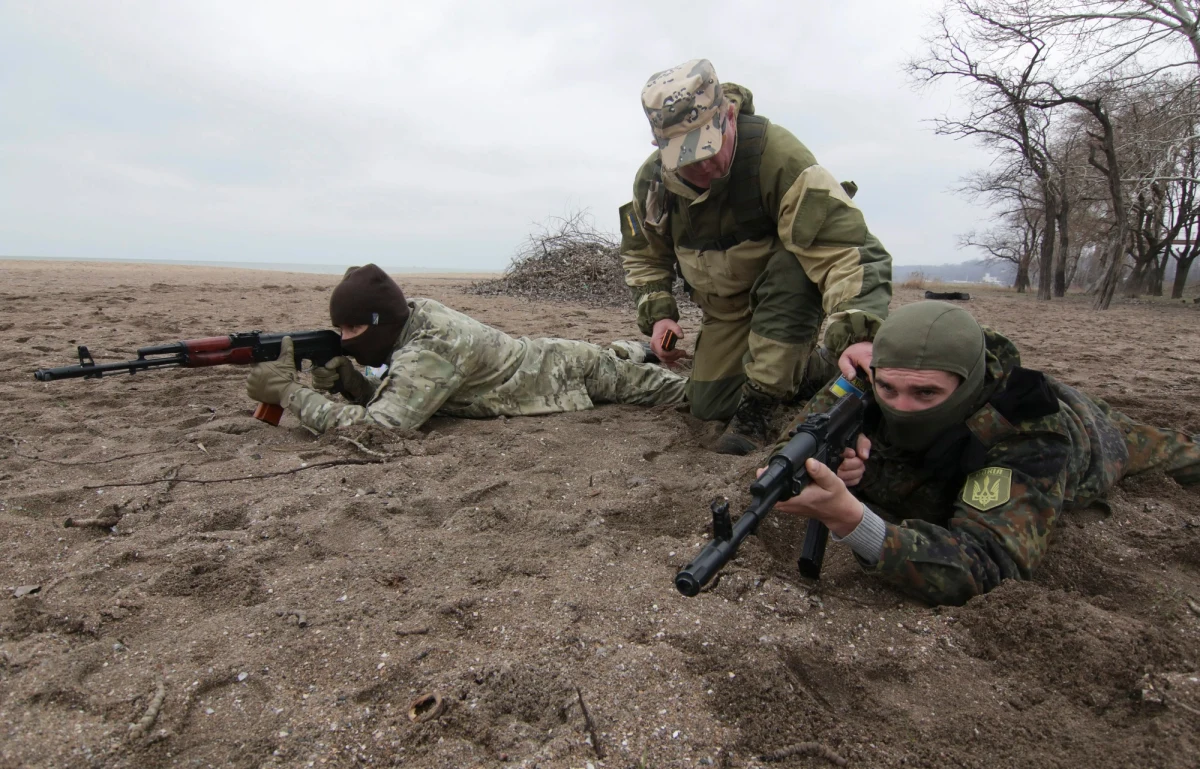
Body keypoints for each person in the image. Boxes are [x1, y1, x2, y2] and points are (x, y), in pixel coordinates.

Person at [766, 301, 1200, 606]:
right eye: (888, 388)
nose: (901, 405)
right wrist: (839, 457)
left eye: (926, 392)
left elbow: (988, 566)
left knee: (1176, 452)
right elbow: (798, 441)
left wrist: (853, 521)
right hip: (937, 453)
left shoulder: (1028, 433)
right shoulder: (869, 376)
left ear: (966, 384)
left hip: (1094, 438)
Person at [619, 59, 893, 455]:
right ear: (659, 147)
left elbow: (847, 252)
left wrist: (860, 334)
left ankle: (762, 408)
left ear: (729, 115)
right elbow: (643, 255)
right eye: (688, 158)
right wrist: (659, 313)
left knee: (792, 271)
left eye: (710, 146)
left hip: (785, 296)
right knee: (708, 405)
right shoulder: (653, 181)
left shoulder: (779, 159)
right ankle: (812, 367)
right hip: (726, 311)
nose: (706, 166)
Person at [245, 264, 688, 433]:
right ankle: (636, 348)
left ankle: (658, 350)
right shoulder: (410, 319)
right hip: (543, 357)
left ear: (384, 321)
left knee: (683, 393)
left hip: (569, 373)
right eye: (339, 330)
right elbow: (411, 392)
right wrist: (353, 382)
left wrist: (290, 393)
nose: (346, 340)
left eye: (355, 327)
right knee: (617, 353)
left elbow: (380, 428)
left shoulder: (432, 345)